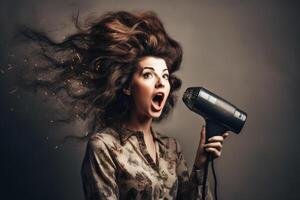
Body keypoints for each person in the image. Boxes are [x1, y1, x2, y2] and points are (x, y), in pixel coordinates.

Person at [20, 10, 228, 200]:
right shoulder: (104, 146)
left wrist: (201, 164)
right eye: (148, 75)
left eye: (164, 76)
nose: (160, 83)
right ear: (127, 86)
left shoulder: (172, 148)